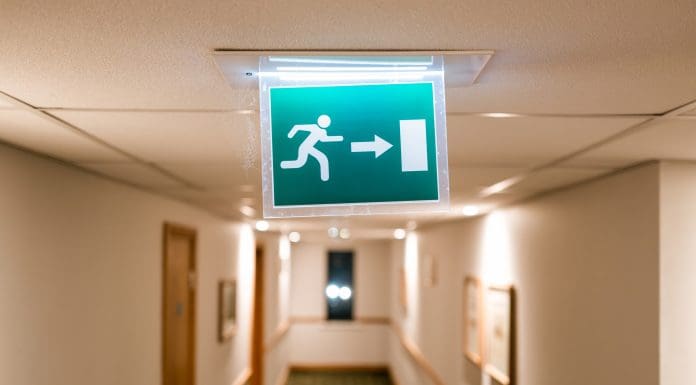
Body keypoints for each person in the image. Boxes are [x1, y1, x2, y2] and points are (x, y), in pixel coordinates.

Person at [280, 115, 343, 182]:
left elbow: (323, 139)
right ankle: (283, 165)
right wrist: (290, 134)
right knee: (301, 162)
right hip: (304, 147)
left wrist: (338, 138)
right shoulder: (313, 127)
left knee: (321, 158)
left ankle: (325, 178)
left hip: (310, 148)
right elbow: (297, 127)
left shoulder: (323, 132)